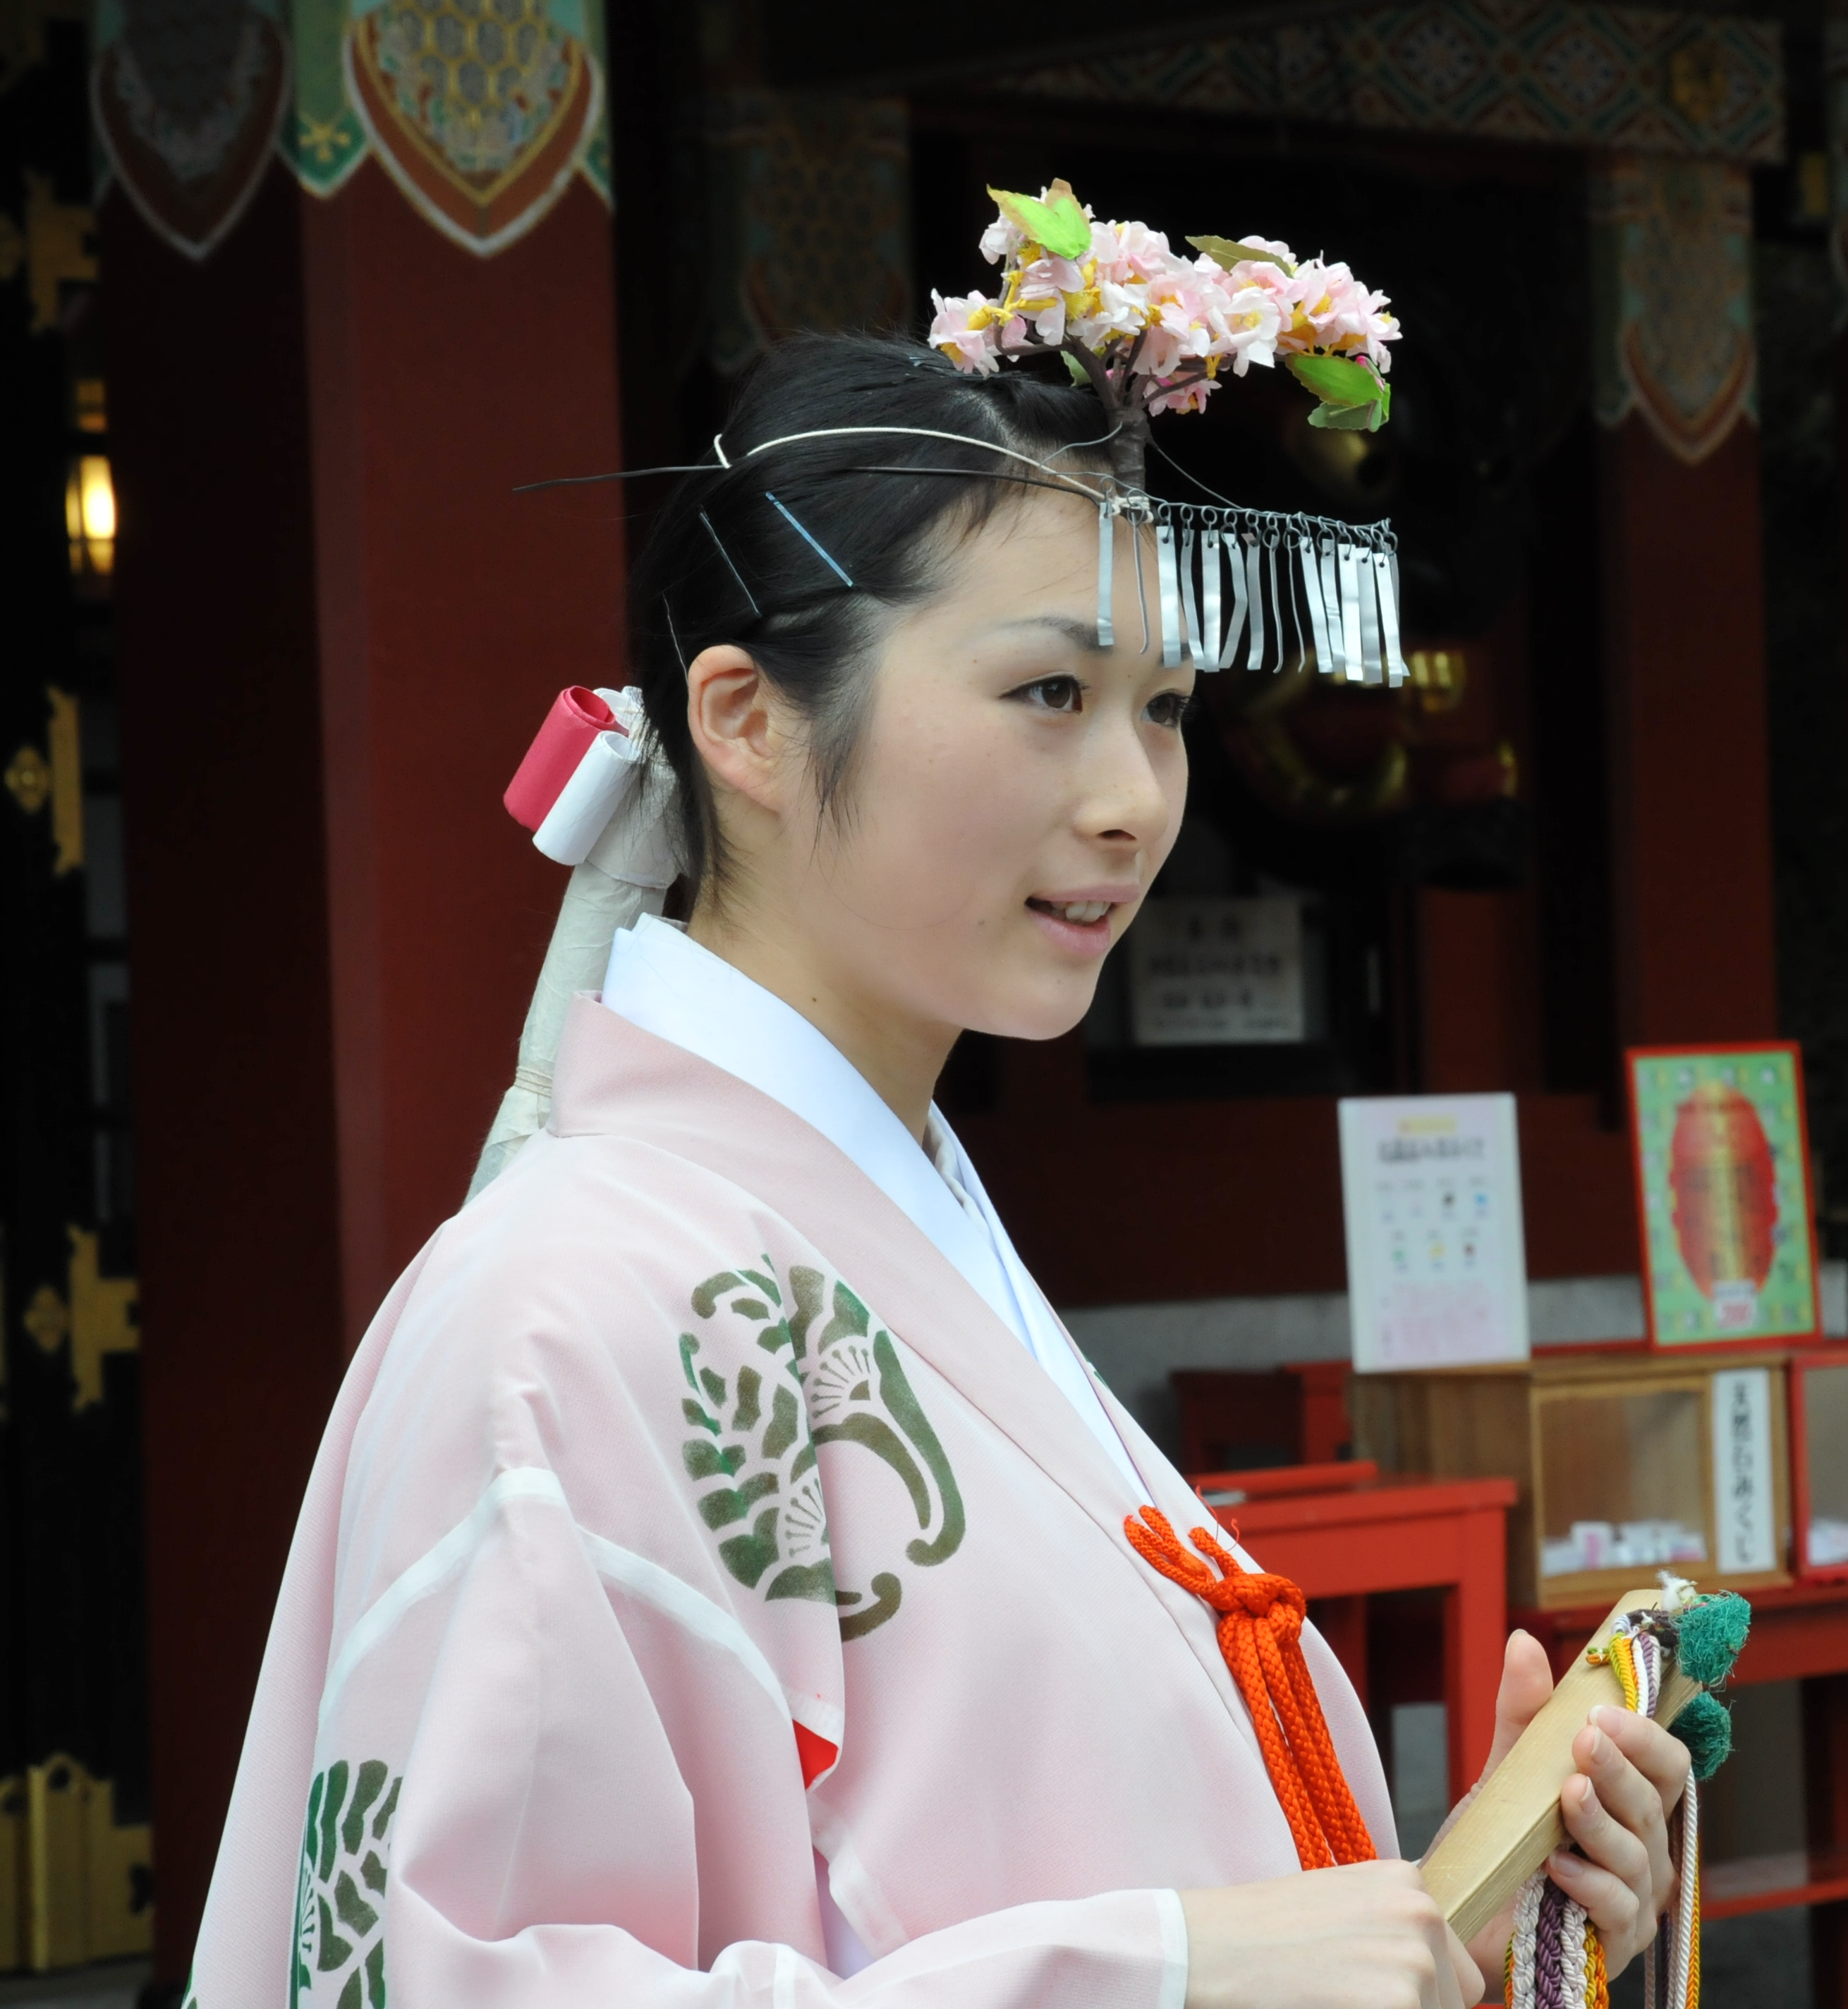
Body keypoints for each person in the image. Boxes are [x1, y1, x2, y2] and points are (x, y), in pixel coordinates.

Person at [185, 309, 1695, 2005]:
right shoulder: (563, 1305)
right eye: (1049, 691)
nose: (1134, 797)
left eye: (1164, 706)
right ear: (746, 721)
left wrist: (1452, 1924)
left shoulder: (889, 1239)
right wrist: (1166, 1974)